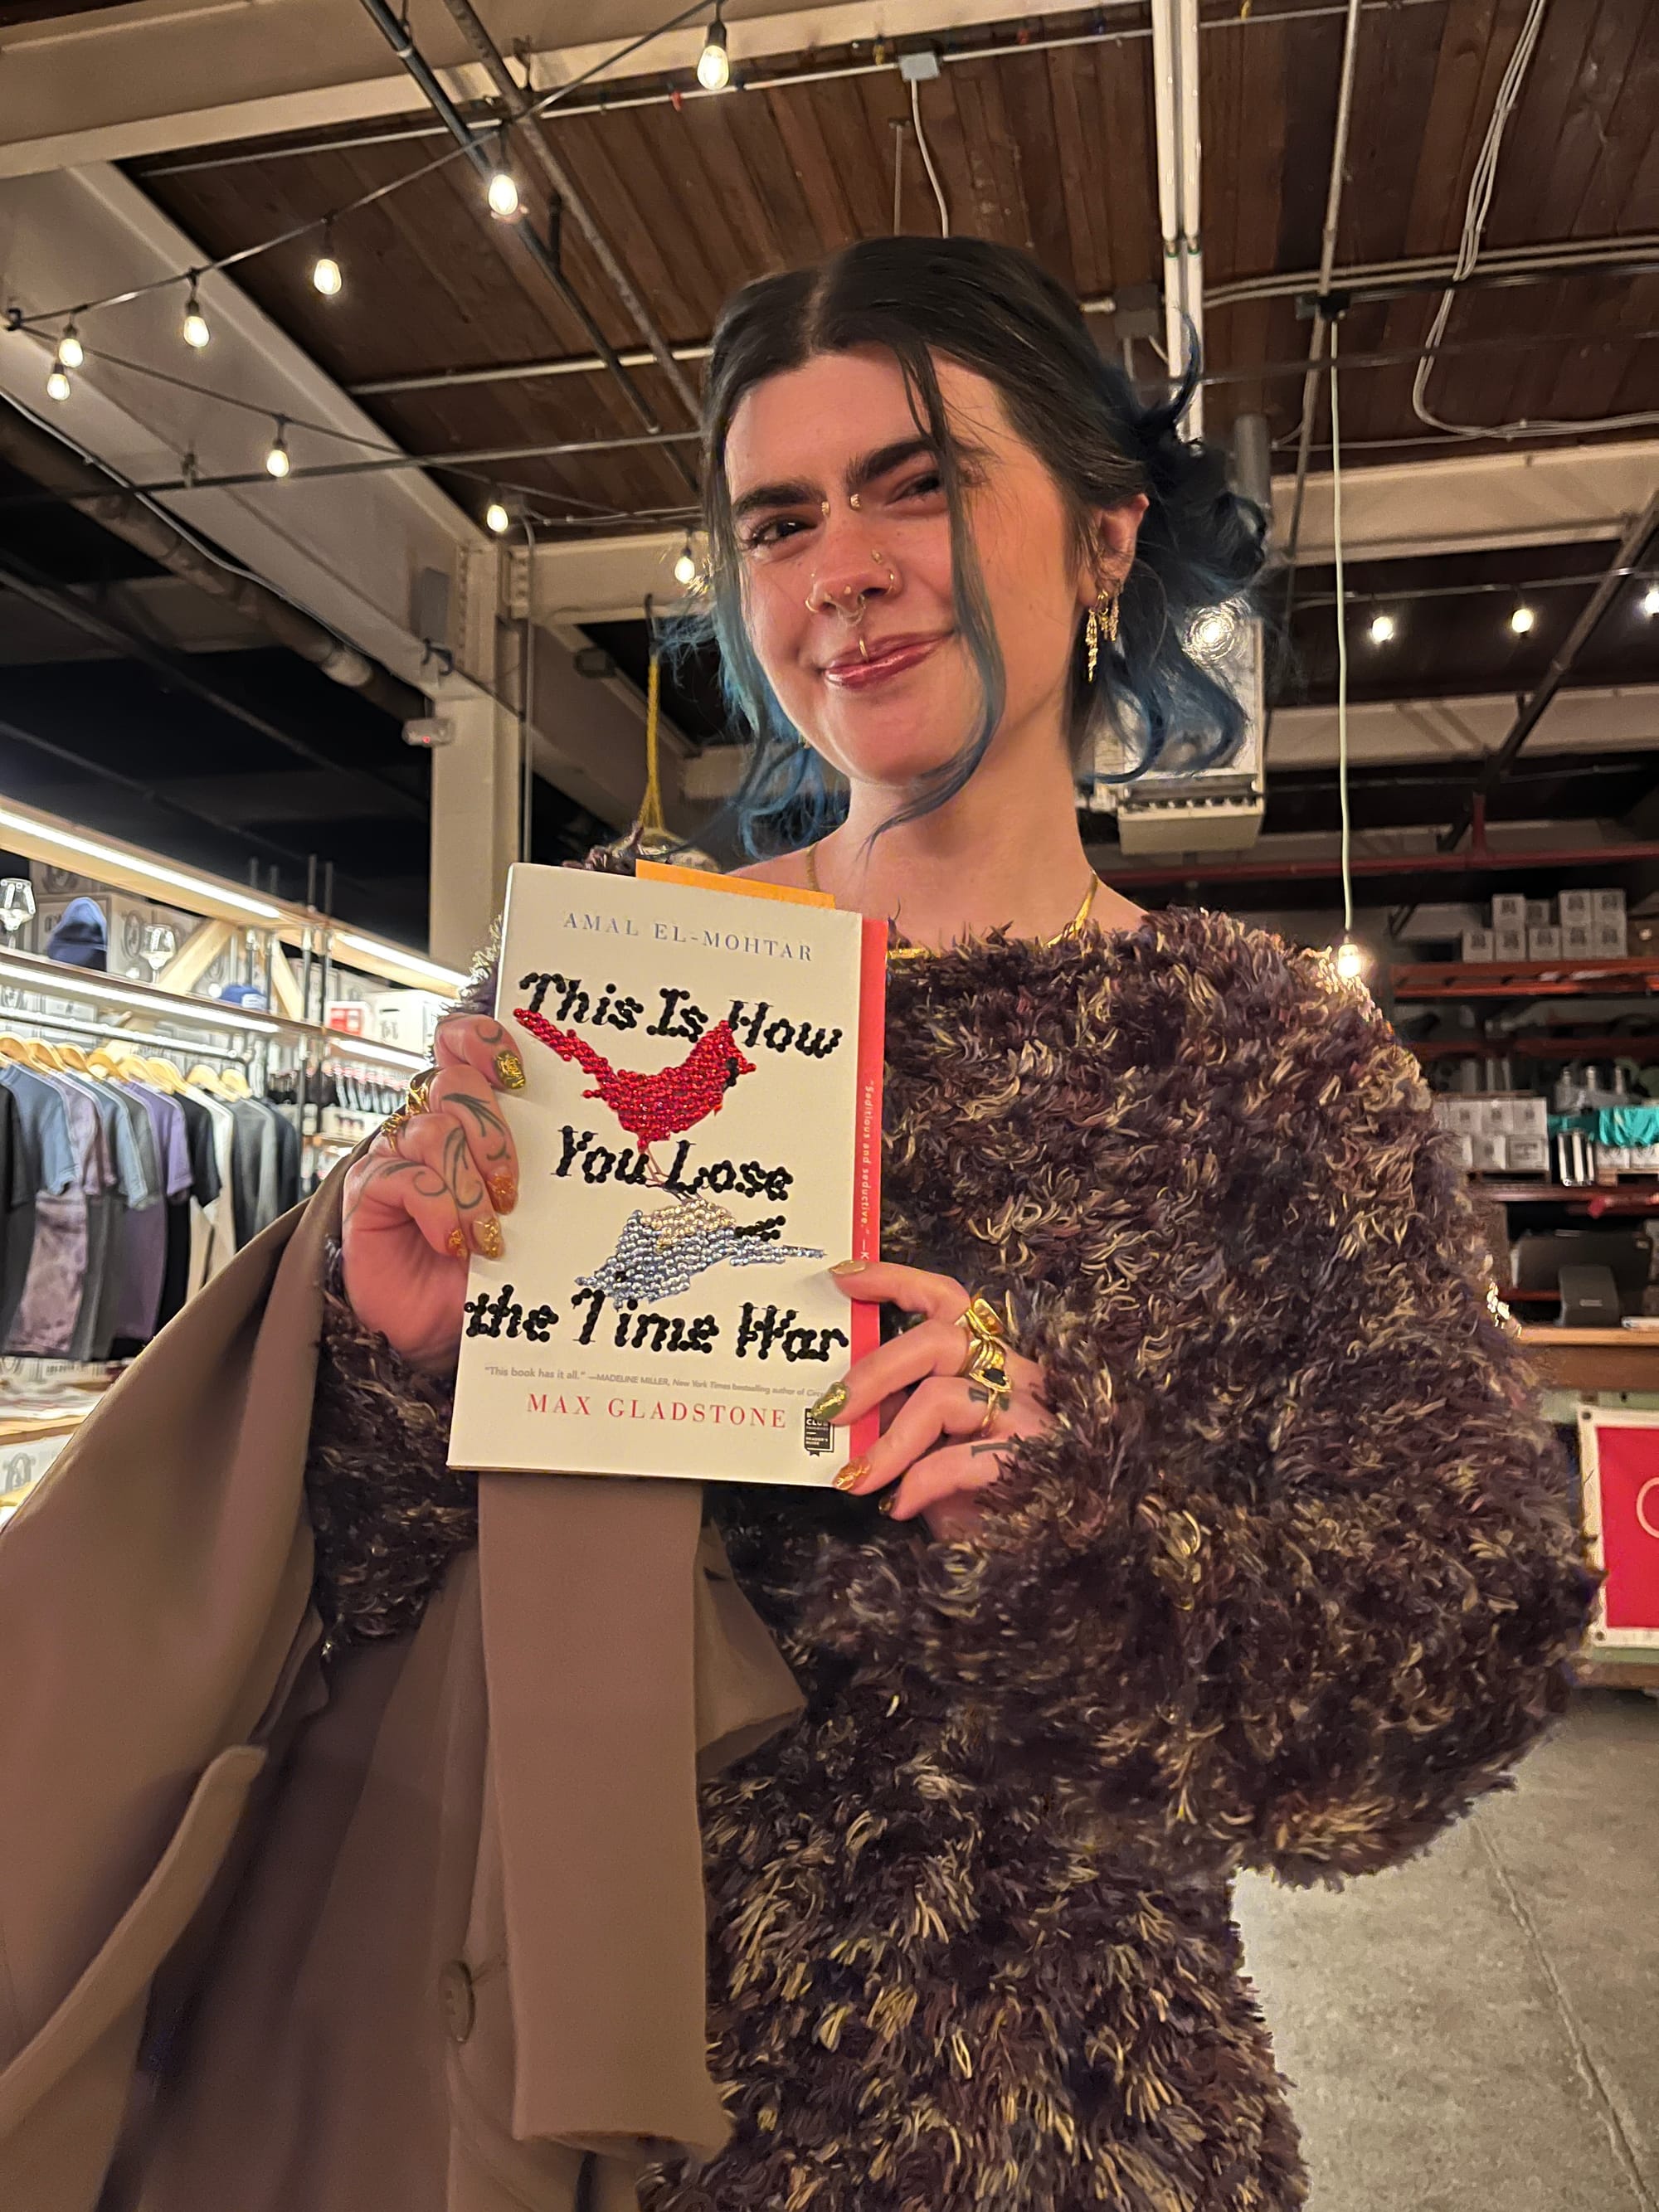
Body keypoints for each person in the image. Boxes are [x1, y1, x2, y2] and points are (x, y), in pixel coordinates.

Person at [0, 238, 1595, 2212]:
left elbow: (1444, 1667)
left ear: (1108, 541)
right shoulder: (616, 988)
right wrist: (396, 1353)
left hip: (1050, 2124)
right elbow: (392, 1591)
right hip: (544, 2087)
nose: (837, 566)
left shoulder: (1260, 1071)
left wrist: (1077, 1516)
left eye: (917, 481)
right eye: (779, 515)